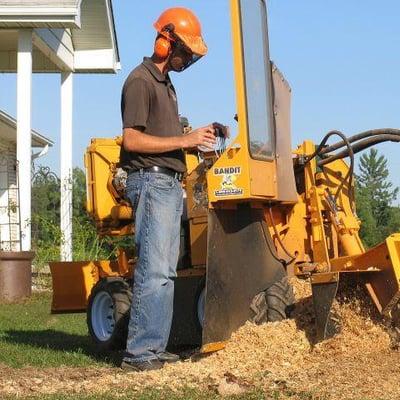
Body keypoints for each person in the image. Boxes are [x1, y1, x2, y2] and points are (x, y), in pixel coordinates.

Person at [119, 7, 216, 372]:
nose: (187, 59)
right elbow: (131, 139)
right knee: (154, 269)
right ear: (165, 42)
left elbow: (167, 139)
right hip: (152, 180)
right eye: (185, 51)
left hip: (169, 183)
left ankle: (154, 348)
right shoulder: (140, 81)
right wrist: (185, 138)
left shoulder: (166, 86)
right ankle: (140, 354)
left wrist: (196, 139)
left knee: (166, 272)